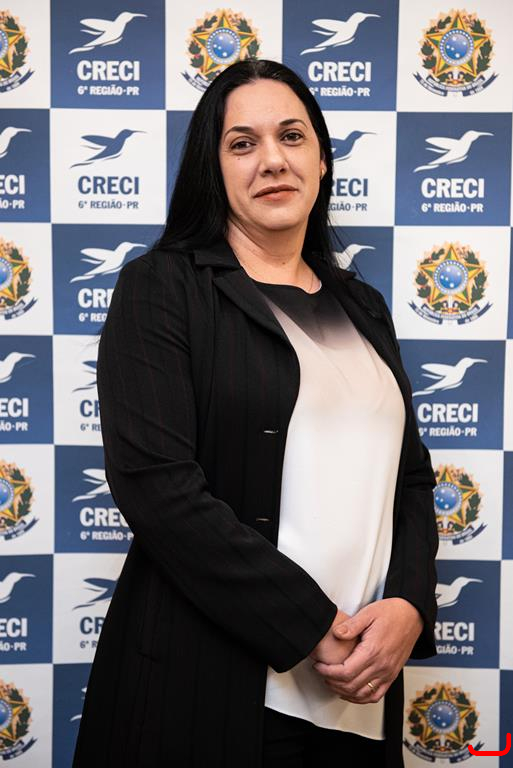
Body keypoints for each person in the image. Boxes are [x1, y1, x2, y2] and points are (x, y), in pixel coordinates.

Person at [72, 59, 438, 768]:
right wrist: (311, 624)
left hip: (356, 696)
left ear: (322, 160)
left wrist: (408, 606)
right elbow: (158, 488)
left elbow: (411, 481)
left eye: (291, 136)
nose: (272, 159)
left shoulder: (363, 307)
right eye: (242, 143)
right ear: (213, 170)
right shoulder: (162, 287)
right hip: (207, 689)